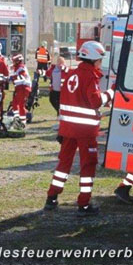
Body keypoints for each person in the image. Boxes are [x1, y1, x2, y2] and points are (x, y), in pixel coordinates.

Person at [44, 41, 115, 216]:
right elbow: (96, 101)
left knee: (64, 163)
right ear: (94, 59)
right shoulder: (90, 76)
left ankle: (51, 197)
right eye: (100, 59)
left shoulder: (72, 74)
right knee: (88, 165)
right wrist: (112, 92)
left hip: (68, 129)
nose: (100, 63)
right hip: (85, 131)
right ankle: (84, 203)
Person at [10, 54, 32, 126]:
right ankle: (17, 118)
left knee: (20, 104)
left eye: (14, 61)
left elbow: (21, 77)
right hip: (21, 88)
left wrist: (12, 78)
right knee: (15, 104)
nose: (13, 62)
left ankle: (22, 121)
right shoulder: (18, 67)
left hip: (23, 88)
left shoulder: (21, 67)